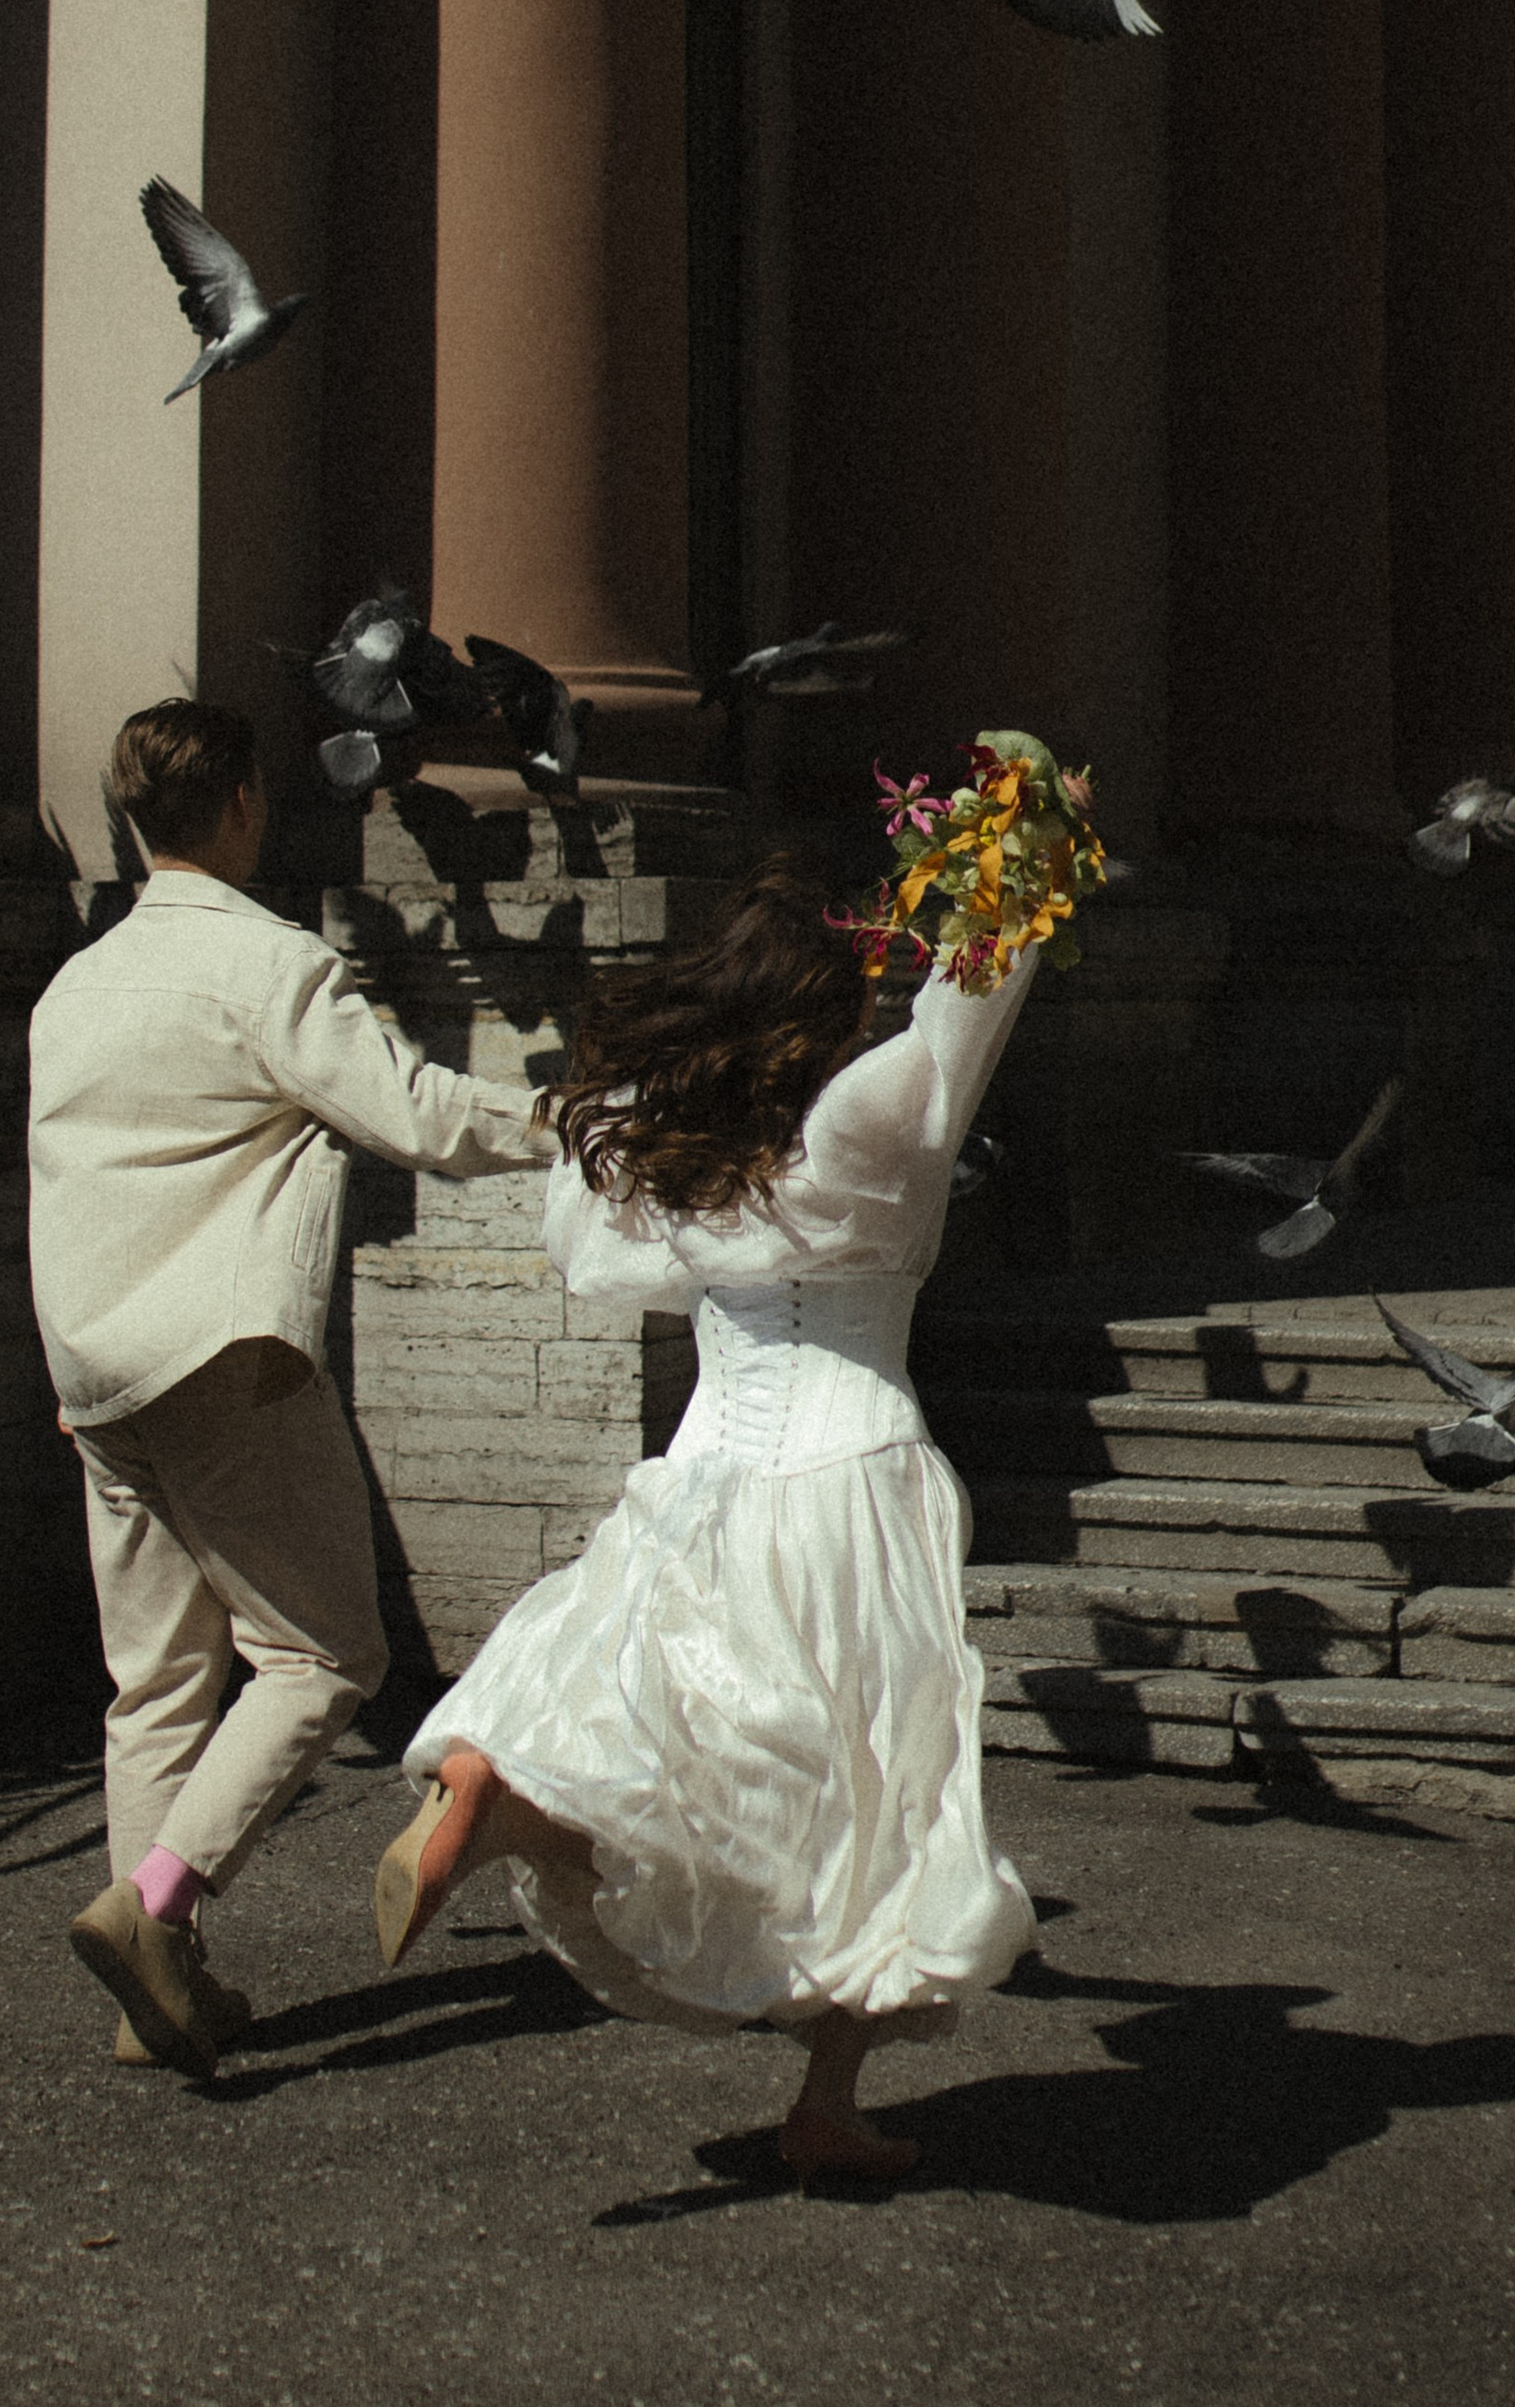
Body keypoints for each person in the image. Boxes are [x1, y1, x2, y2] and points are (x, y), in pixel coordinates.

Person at [371, 852, 1041, 2188]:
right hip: (853, 1476)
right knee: (870, 1796)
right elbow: (974, 1000)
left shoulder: (688, 1157)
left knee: (710, 1762)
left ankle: (512, 1810)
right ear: (824, 1010)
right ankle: (825, 2097)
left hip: (704, 1477)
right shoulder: (869, 1118)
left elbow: (595, 1258)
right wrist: (1018, 862)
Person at [28, 697, 550, 2078]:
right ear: (245, 805)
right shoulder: (273, 969)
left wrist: (68, 1372)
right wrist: (561, 1123)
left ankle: (154, 1987)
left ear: (136, 818)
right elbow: (419, 1116)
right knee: (325, 1655)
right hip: (220, 1365)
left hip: (96, 1371)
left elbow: (54, 1185)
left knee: (153, 1687)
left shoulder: (77, 983)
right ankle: (154, 1912)